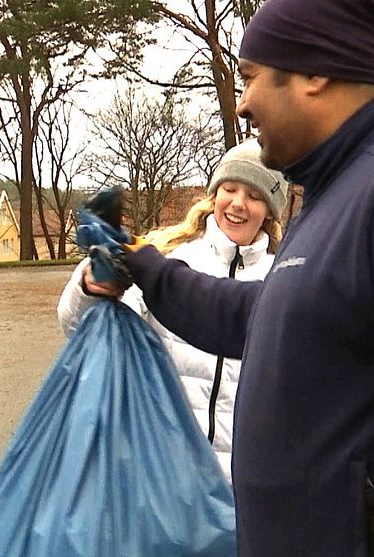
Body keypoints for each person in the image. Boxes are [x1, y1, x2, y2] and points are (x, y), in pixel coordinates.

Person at [85, 0, 374, 555]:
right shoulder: (333, 193)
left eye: (250, 78)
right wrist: (142, 264)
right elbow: (263, 316)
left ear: (315, 72)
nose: (242, 103)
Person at [58, 138, 287, 478]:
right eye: (230, 189)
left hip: (244, 485)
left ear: (270, 209)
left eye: (255, 196)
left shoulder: (283, 279)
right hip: (161, 476)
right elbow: (81, 330)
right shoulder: (166, 258)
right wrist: (90, 287)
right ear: (214, 194)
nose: (239, 203)